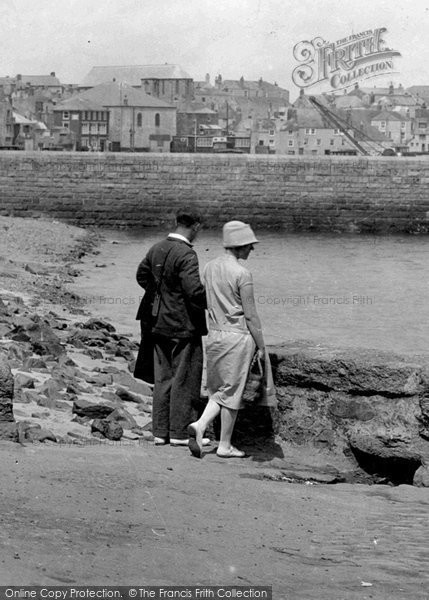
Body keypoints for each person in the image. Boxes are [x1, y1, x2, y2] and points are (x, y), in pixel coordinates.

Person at [188, 220, 276, 459]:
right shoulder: (242, 273)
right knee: (233, 392)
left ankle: (200, 425)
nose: (252, 250)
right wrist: (261, 344)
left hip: (215, 334)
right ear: (239, 245)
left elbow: (204, 300)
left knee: (218, 388)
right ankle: (225, 445)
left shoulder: (209, 267)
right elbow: (251, 315)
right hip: (237, 336)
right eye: (249, 245)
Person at [135, 208, 209, 447]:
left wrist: (161, 295)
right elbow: (193, 291)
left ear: (176, 222)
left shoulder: (157, 247)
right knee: (184, 378)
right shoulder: (187, 255)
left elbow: (142, 276)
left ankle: (160, 431)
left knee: (163, 377)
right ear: (195, 226)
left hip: (156, 322)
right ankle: (178, 433)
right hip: (182, 324)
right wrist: (215, 300)